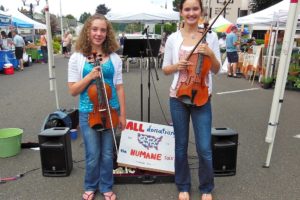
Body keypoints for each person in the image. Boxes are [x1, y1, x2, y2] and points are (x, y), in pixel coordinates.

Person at [162, 0, 221, 200]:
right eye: (187, 9)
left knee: (204, 147)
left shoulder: (210, 37)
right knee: (180, 145)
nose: (191, 13)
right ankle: (183, 185)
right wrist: (177, 65)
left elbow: (216, 69)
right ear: (181, 12)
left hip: (203, 96)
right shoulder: (173, 38)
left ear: (201, 11)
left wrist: (211, 54)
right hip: (178, 96)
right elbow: (165, 69)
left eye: (195, 8)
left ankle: (206, 187)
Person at [68, 14, 126, 200]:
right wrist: (90, 76)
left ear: (107, 33)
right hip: (88, 112)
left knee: (108, 153)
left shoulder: (115, 58)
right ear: (87, 31)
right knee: (93, 154)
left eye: (102, 30)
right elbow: (73, 90)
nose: (98, 33)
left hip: (111, 111)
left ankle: (106, 186)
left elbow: (119, 87)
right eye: (95, 29)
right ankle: (91, 185)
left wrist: (123, 114)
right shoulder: (77, 58)